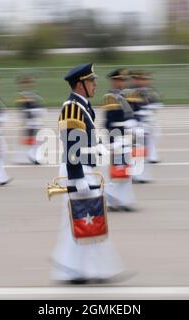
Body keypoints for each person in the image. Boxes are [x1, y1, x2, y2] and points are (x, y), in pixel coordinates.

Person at [50, 63, 124, 284]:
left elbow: (87, 139)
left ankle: (77, 269)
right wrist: (77, 177)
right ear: (80, 84)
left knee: (82, 221)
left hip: (86, 168)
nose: (95, 84)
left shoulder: (83, 107)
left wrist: (103, 148)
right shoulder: (72, 107)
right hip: (80, 170)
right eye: (91, 81)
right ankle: (90, 269)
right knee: (86, 220)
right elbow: (71, 143)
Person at [102, 68, 137, 212]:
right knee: (114, 172)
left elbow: (132, 115)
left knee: (126, 171)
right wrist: (113, 140)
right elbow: (110, 121)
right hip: (116, 137)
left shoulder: (127, 95)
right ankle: (112, 201)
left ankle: (125, 201)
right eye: (119, 80)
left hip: (126, 137)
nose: (121, 83)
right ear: (113, 81)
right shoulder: (110, 97)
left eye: (123, 80)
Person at [13, 75, 45, 164]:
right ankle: (31, 157)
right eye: (26, 83)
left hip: (34, 121)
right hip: (29, 121)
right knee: (32, 140)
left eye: (29, 83)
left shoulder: (33, 95)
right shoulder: (23, 96)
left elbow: (37, 106)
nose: (28, 85)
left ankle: (29, 157)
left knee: (33, 140)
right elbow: (23, 109)